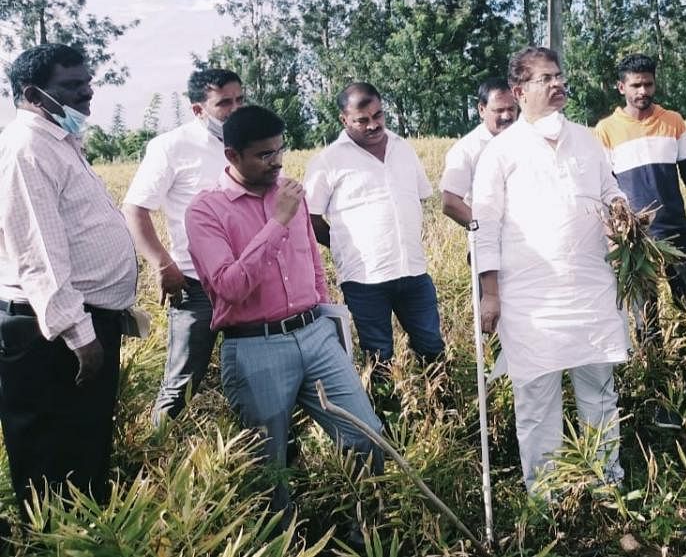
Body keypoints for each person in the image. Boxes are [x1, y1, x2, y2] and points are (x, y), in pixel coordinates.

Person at [185, 105, 382, 514]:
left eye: (279, 151)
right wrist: (276, 223)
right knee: (267, 466)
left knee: (366, 436)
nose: (276, 163)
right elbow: (229, 287)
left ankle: (366, 530)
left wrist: (327, 319)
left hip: (316, 335)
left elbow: (312, 262)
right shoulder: (206, 211)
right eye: (263, 155)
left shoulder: (289, 194)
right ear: (232, 156)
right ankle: (283, 540)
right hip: (255, 347)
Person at [473, 47, 630, 492]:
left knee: (599, 394)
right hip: (529, 301)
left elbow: (609, 190)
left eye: (560, 75)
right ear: (521, 92)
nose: (558, 83)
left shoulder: (586, 139)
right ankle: (545, 495)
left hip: (591, 289)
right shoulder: (501, 152)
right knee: (537, 402)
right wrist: (491, 294)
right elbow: (484, 228)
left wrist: (622, 212)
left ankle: (605, 483)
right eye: (547, 78)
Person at [0, 43, 138, 512]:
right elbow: (38, 253)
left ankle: (84, 537)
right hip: (52, 333)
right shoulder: (26, 149)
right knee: (51, 463)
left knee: (84, 452)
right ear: (33, 93)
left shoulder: (58, 141)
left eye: (87, 82)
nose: (87, 94)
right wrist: (80, 334)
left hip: (80, 323)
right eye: (72, 86)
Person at [123, 69, 245, 425]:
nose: (235, 109)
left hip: (248, 282)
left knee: (254, 375)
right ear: (197, 109)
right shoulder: (170, 146)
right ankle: (155, 455)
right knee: (182, 382)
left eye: (240, 100)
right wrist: (163, 265)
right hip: (196, 287)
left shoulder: (250, 139)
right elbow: (134, 208)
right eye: (224, 103)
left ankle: (259, 457)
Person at [306, 83, 446, 369]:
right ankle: (382, 413)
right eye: (362, 120)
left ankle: (440, 408)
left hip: (414, 271)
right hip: (364, 278)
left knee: (432, 347)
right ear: (344, 120)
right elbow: (309, 217)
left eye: (378, 116)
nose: (373, 125)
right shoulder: (328, 161)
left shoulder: (402, 147)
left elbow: (418, 197)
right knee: (379, 356)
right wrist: (342, 245)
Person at [594, 53, 686, 337]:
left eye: (648, 84)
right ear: (621, 87)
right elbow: (601, 189)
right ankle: (653, 373)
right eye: (635, 85)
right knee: (645, 316)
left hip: (675, 230)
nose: (643, 91)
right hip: (635, 238)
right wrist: (612, 239)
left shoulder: (673, 121)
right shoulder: (606, 130)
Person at [441, 77, 519, 227]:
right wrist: (483, 228)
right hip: (489, 243)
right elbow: (449, 202)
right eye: (499, 110)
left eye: (511, 109)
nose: (507, 116)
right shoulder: (466, 149)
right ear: (482, 110)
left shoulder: (525, 141)